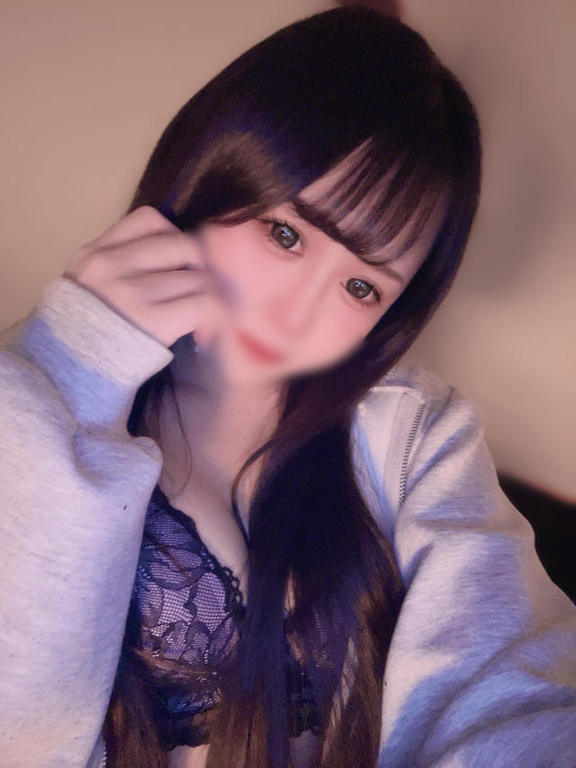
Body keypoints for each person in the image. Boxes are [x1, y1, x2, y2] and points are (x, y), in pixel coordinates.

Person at [1, 7, 575, 768]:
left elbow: (508, 691)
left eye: (362, 287)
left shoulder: (414, 434)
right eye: (286, 234)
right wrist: (78, 358)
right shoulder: (35, 394)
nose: (298, 313)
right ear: (208, 174)